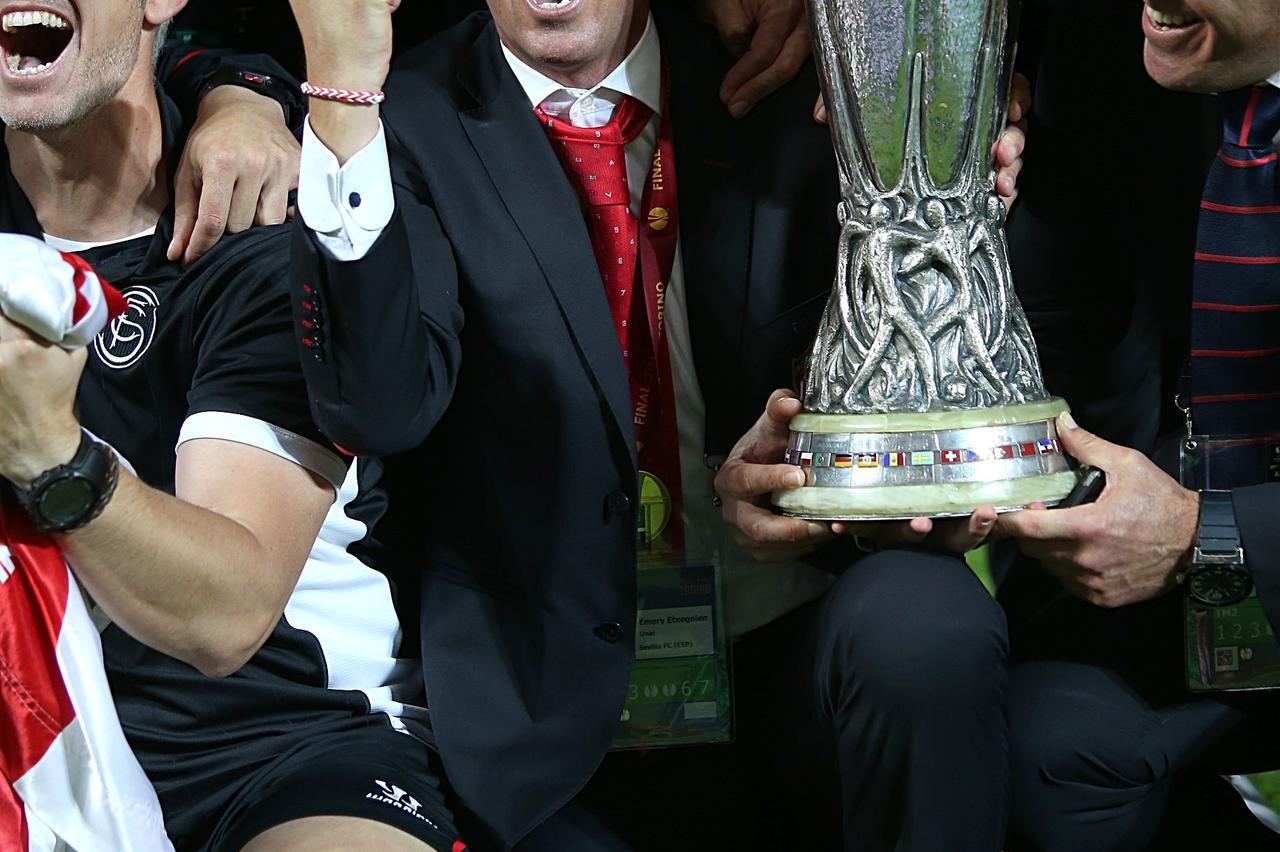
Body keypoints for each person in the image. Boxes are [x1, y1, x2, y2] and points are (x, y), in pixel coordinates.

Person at [286, 0, 1027, 848]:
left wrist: (816, 477)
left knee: (928, 624)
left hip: (787, 646)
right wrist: (342, 113)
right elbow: (378, 408)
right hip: (549, 717)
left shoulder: (782, 71)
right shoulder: (395, 115)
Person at [0, 1, 456, 849]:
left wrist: (48, 455)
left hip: (272, 744)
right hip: (29, 738)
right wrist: (239, 86)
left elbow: (226, 618)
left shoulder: (267, 228)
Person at [992, 1, 1280, 849]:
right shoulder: (1104, 50)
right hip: (1189, 564)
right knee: (1034, 743)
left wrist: (1201, 537)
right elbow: (1054, 342)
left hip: (1222, 536)